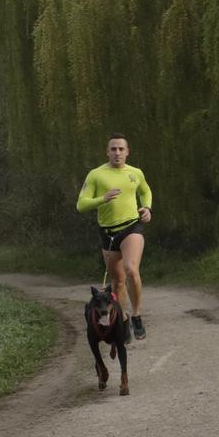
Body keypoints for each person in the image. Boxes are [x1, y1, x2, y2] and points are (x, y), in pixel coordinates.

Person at [76, 135, 153, 339]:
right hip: (108, 233)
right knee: (117, 281)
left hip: (131, 227)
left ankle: (136, 315)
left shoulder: (135, 173)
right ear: (107, 152)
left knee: (131, 270)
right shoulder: (96, 175)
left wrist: (147, 208)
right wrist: (103, 199)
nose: (117, 153)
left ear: (127, 151)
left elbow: (145, 191)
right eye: (113, 149)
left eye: (121, 149)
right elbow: (81, 204)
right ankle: (123, 320)